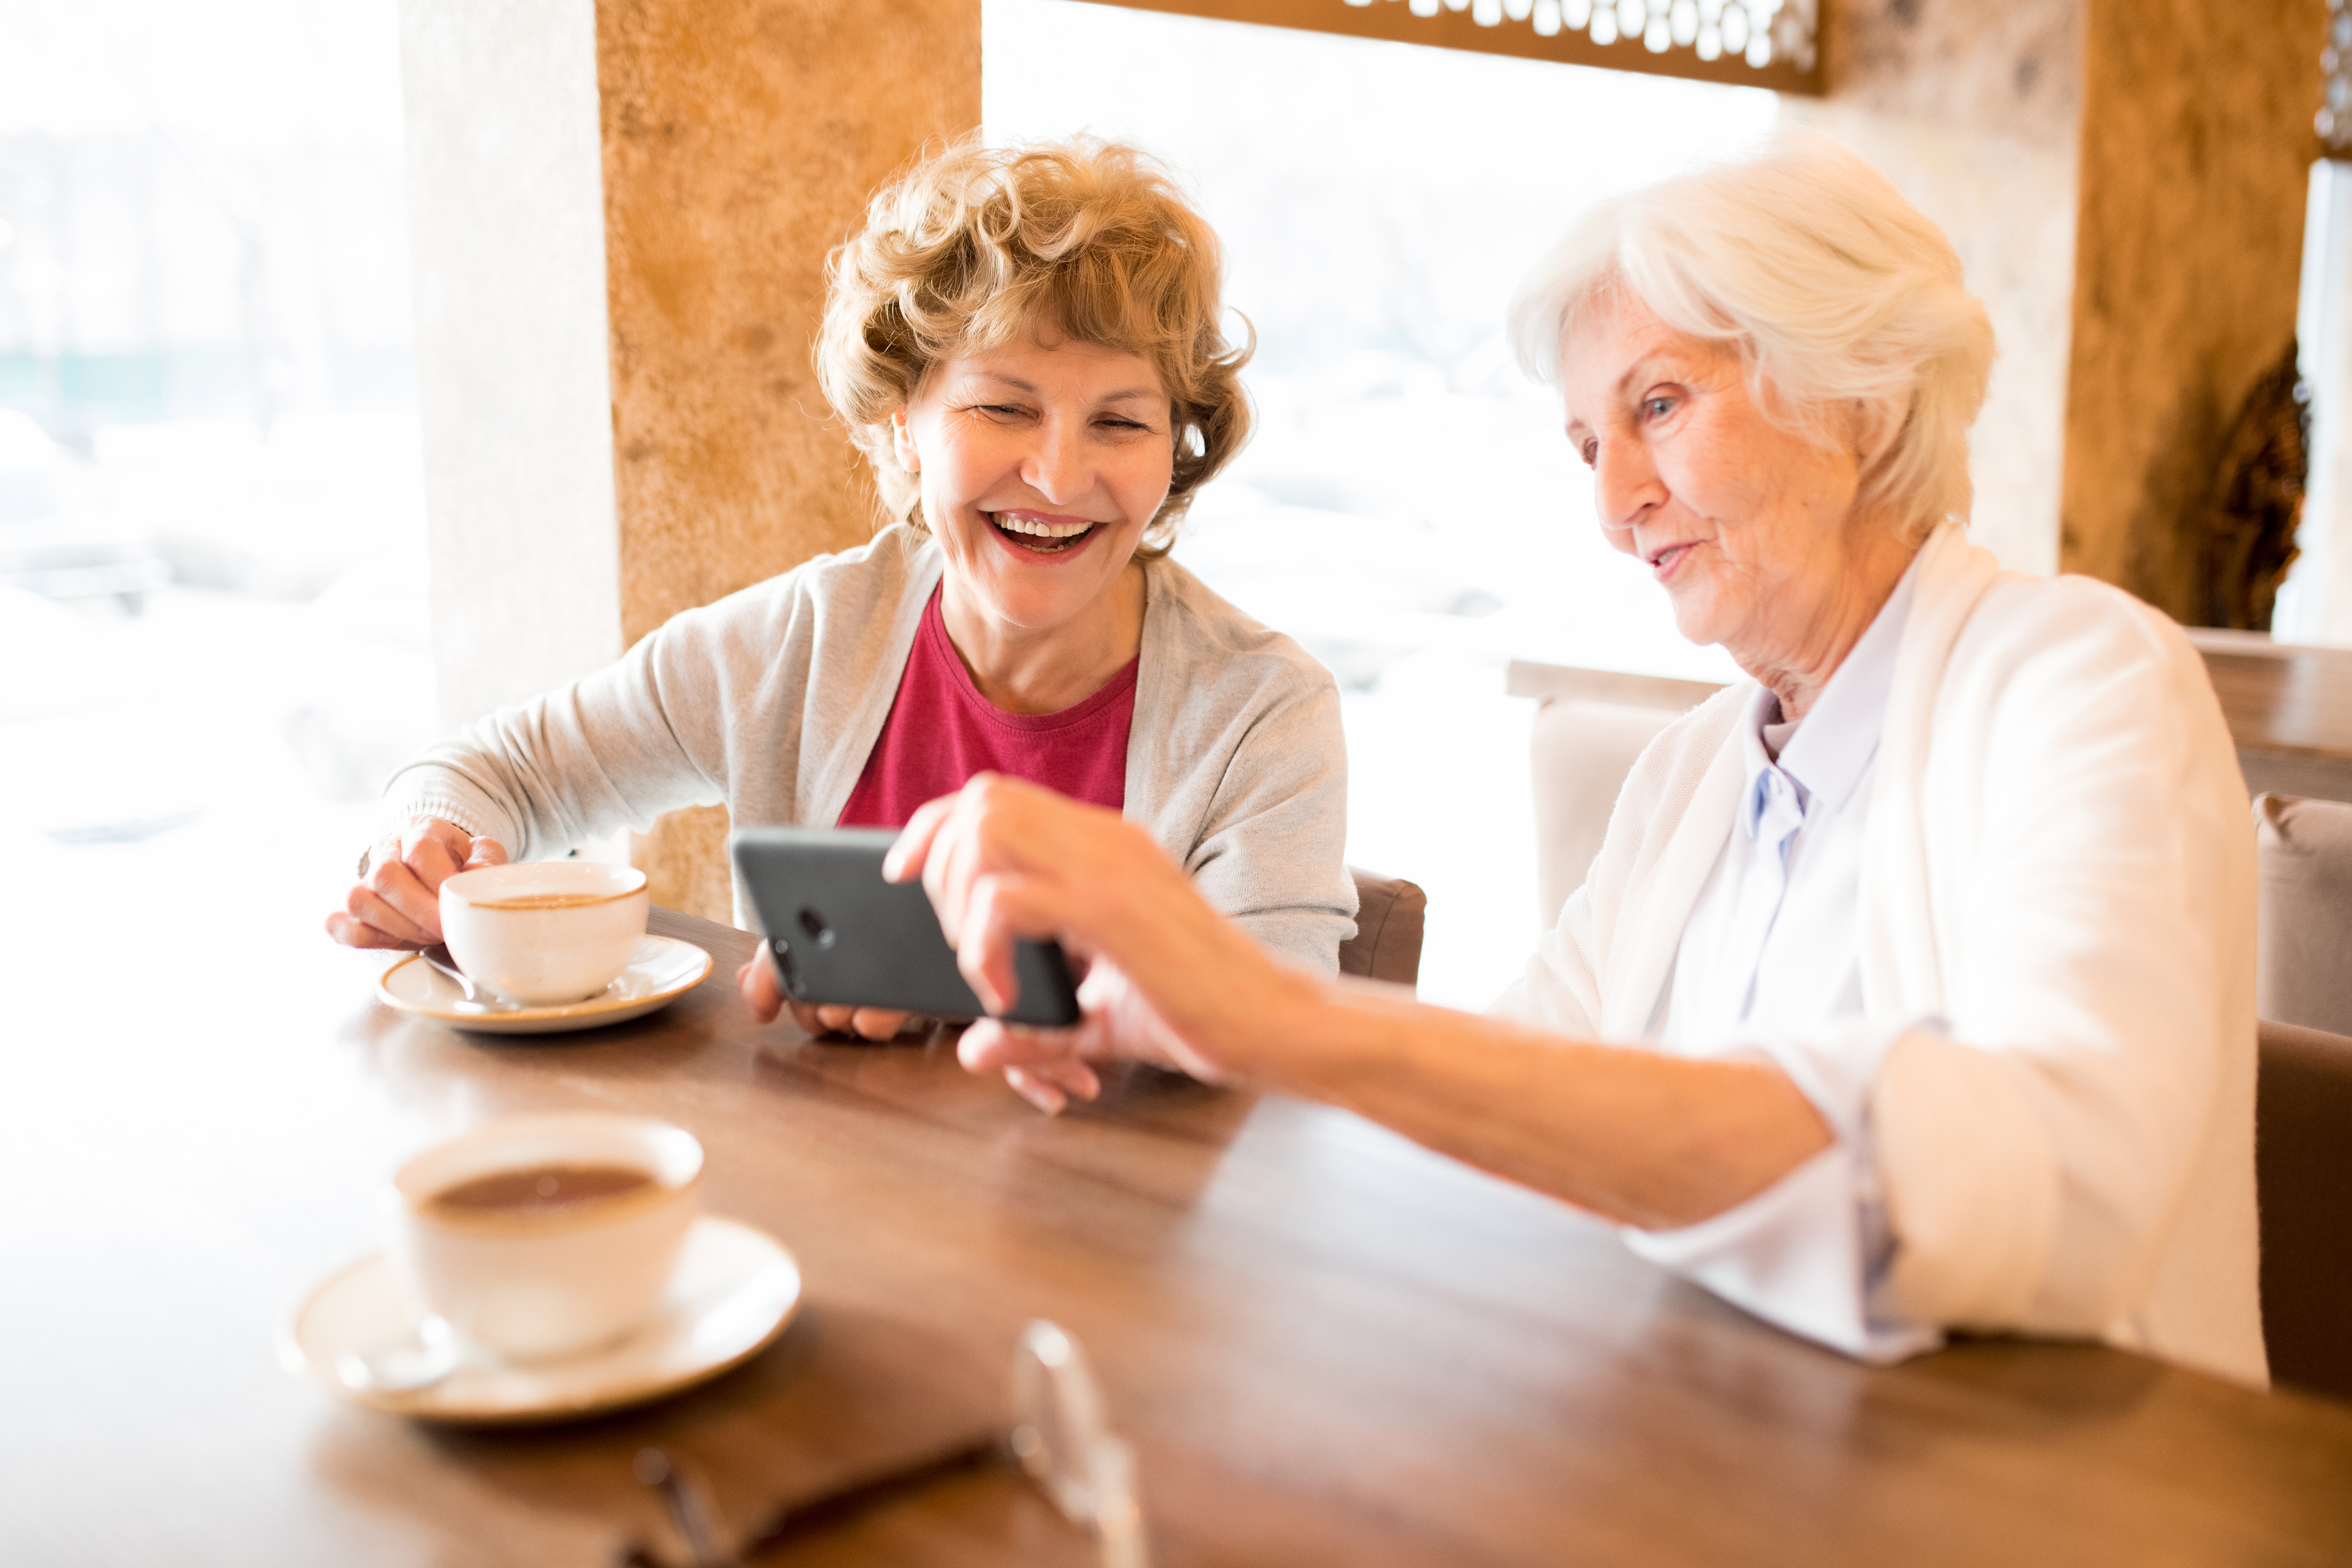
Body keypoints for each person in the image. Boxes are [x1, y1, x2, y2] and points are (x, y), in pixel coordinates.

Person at [883, 135, 2267, 1385]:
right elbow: (1498, 1093)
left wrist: (1274, 1013)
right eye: (1587, 444)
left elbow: (2053, 1196)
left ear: (1862, 400)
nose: (1613, 505)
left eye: (1658, 407)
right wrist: (1168, 1015)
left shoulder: (2082, 680)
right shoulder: (1692, 775)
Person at [327, 138, 1357, 1047]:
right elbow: (493, 769)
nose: (1056, 475)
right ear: (904, 419)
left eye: (1121, 423)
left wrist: (969, 990)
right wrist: (423, 845)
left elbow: (1281, 1043)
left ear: (1173, 453)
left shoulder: (1262, 710)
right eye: (1004, 406)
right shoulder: (807, 638)